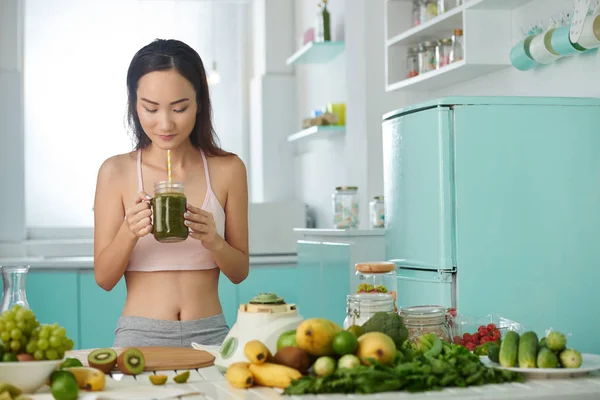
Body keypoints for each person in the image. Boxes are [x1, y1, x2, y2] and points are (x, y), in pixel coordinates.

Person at [93, 39, 249, 348]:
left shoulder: (228, 169)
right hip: (139, 335)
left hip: (211, 334)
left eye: (180, 108)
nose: (165, 123)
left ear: (200, 102)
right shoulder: (116, 172)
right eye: (150, 108)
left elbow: (239, 272)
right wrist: (129, 232)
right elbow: (104, 279)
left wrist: (214, 240)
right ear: (134, 104)